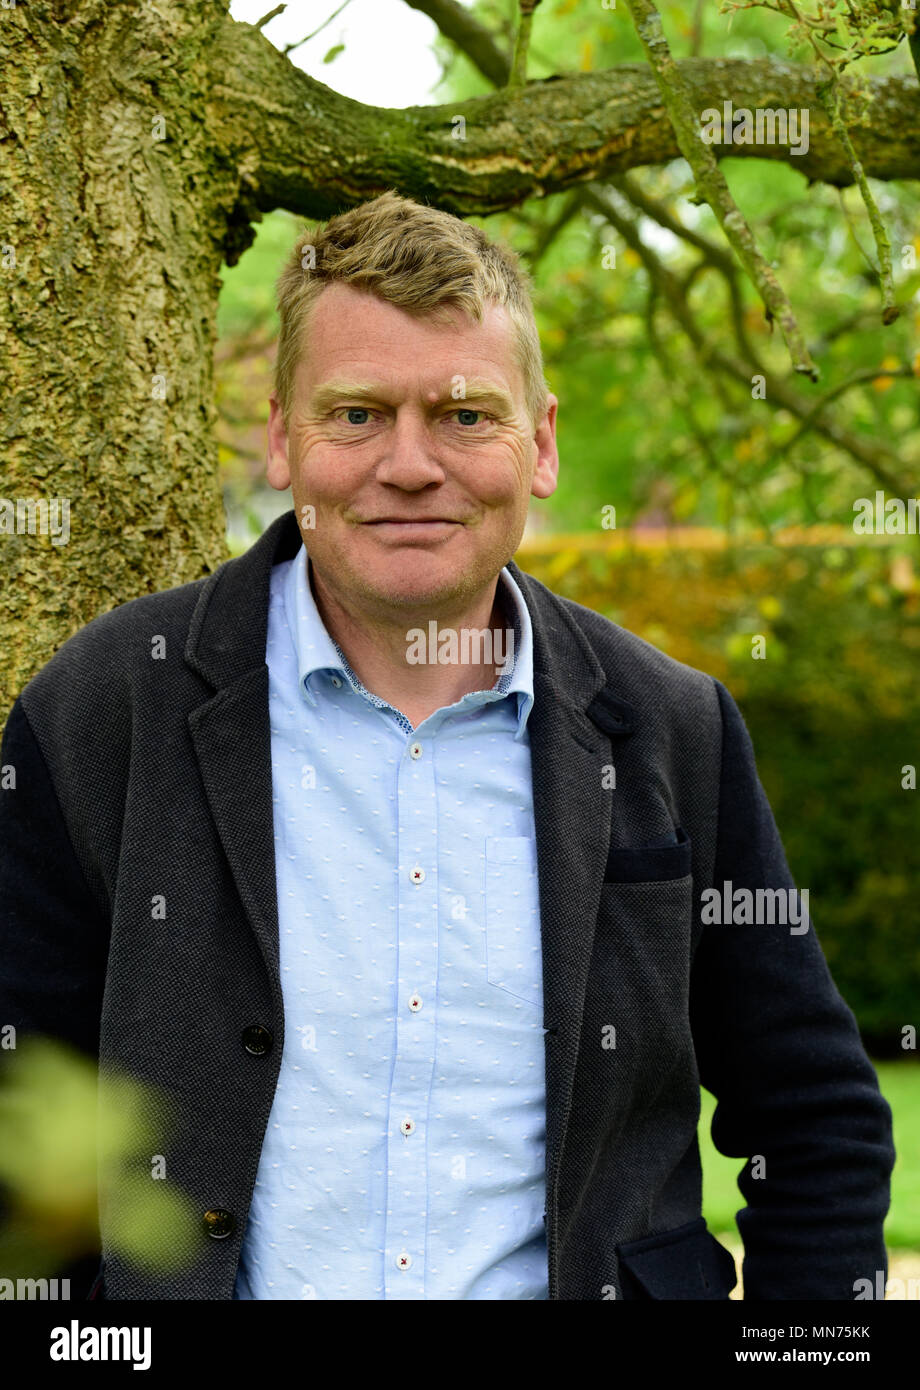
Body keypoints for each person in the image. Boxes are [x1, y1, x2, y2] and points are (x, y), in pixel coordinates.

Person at [0, 191, 894, 1301]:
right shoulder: (104, 710)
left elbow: (814, 1121)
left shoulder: (671, 727)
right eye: (358, 414)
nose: (411, 463)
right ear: (282, 437)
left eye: (465, 415)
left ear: (541, 443)